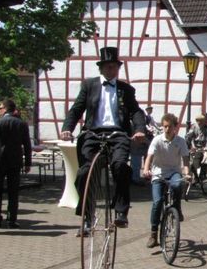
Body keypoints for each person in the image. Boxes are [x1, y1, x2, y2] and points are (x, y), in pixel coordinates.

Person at [60, 47, 146, 231]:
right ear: (101, 68)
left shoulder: (126, 89)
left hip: (118, 134)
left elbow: (136, 111)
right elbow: (76, 109)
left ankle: (121, 211)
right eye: (108, 67)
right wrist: (67, 128)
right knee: (84, 173)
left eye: (114, 67)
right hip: (93, 133)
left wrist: (139, 129)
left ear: (118, 68)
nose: (111, 70)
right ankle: (86, 215)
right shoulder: (89, 85)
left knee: (121, 167)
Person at [142, 113, 191, 248]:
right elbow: (149, 156)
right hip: (158, 174)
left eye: (170, 127)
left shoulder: (180, 141)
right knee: (157, 202)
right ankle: (153, 234)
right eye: (165, 127)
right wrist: (146, 169)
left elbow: (185, 160)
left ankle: (177, 208)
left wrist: (187, 173)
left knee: (177, 184)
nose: (167, 129)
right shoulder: (157, 140)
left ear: (175, 127)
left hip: (174, 171)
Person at [0, 99, 32, 228]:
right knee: (13, 192)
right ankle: (11, 220)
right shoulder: (21, 124)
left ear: (5, 109)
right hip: (15, 160)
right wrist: (27, 162)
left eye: (0, 107)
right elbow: (27, 144)